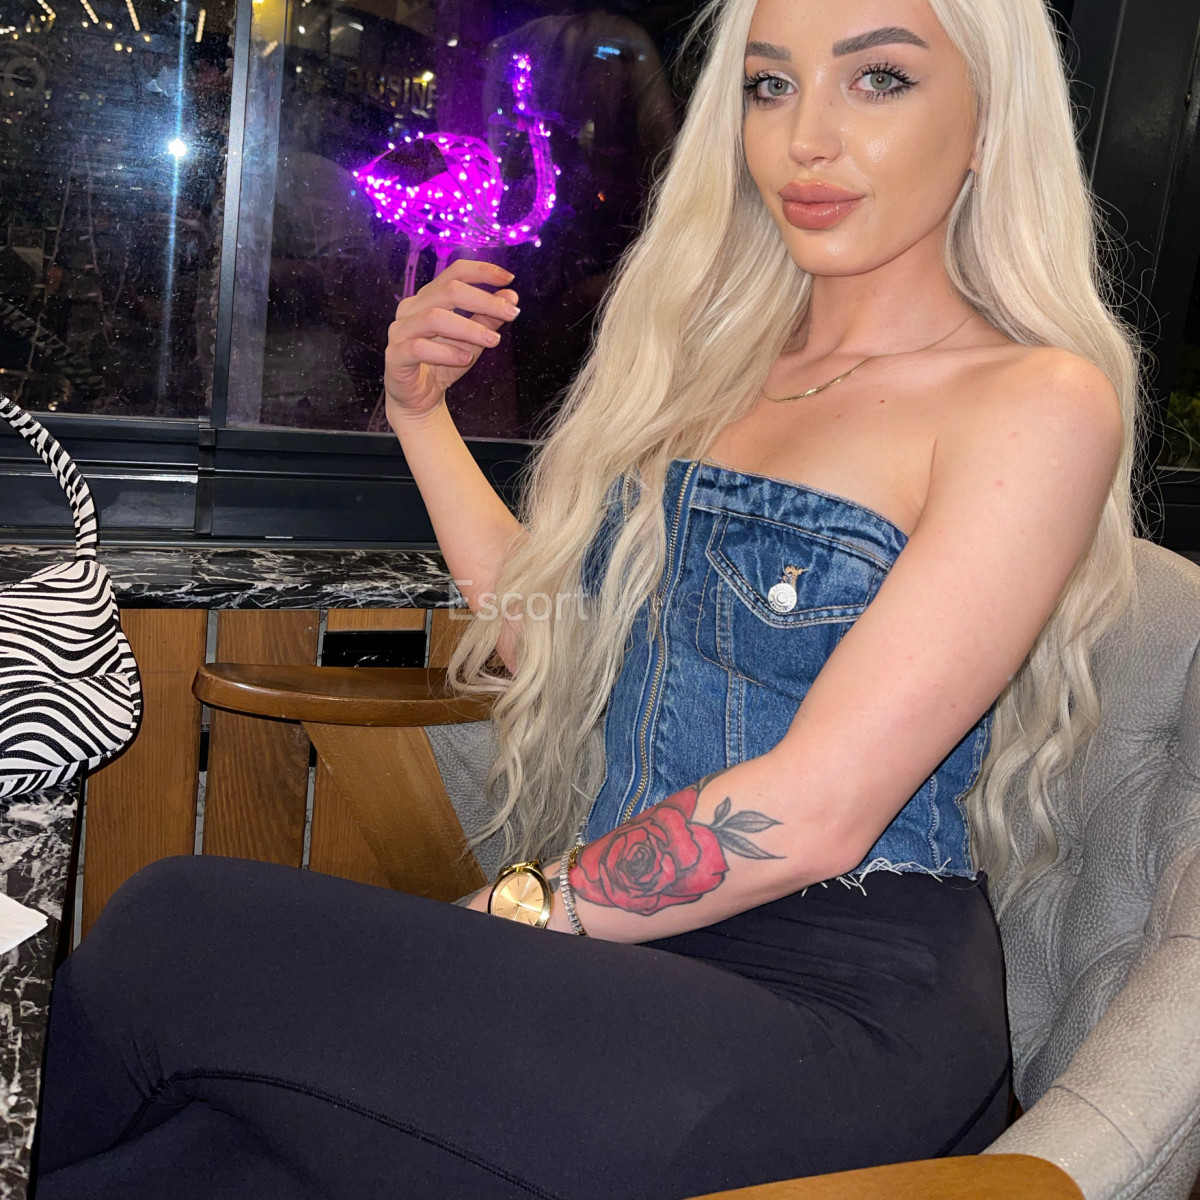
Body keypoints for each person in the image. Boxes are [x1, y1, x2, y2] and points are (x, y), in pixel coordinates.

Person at [34, 0, 1144, 1196]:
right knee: (187, 1161)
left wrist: (500, 922)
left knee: (175, 926)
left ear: (987, 122)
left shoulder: (1035, 401)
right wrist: (420, 417)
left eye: (879, 81)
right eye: (770, 85)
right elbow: (552, 640)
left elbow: (818, 812)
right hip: (630, 972)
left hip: (830, 1009)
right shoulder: (721, 370)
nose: (806, 138)